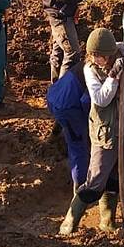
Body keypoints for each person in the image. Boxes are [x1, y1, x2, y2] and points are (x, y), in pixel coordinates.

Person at [59, 28, 124, 235]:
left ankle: (107, 220)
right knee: (95, 180)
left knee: (117, 178)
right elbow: (101, 99)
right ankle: (70, 221)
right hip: (105, 132)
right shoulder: (90, 68)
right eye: (93, 55)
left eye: (100, 56)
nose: (96, 59)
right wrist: (113, 76)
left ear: (111, 53)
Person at [46, 60, 91, 194]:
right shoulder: (98, 72)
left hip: (53, 96)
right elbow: (86, 102)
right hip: (67, 109)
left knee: (69, 124)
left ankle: (54, 135)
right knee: (78, 147)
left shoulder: (84, 63)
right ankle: (80, 188)